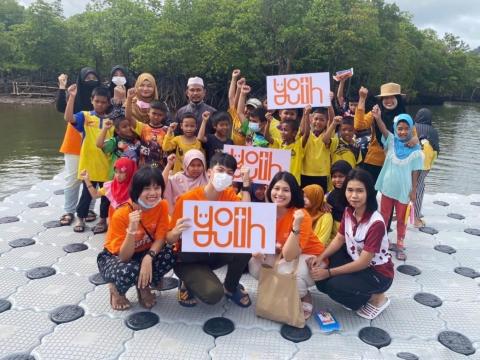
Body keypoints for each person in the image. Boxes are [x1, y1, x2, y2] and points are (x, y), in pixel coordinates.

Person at [166, 153, 252, 307]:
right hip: (188, 259)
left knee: (244, 248)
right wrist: (176, 231)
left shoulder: (229, 195)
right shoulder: (187, 199)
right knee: (213, 295)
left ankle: (230, 287)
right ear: (209, 172)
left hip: (213, 254)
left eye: (230, 173)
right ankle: (187, 281)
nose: (224, 176)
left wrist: (246, 186)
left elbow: (246, 216)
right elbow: (169, 239)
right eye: (220, 170)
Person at [309, 168, 394, 320]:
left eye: (360, 191)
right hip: (356, 262)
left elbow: (363, 262)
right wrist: (320, 257)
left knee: (332, 285)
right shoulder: (349, 211)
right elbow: (339, 239)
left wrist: (329, 272)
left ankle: (376, 298)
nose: (354, 196)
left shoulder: (376, 223)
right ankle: (355, 291)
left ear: (369, 192)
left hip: (377, 273)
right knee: (321, 282)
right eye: (350, 190)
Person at [248, 172, 326, 320]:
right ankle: (284, 292)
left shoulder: (301, 215)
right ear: (269, 190)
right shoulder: (265, 211)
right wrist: (258, 252)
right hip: (282, 254)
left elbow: (290, 255)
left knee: (286, 273)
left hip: (311, 258)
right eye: (276, 188)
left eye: (286, 190)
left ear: (293, 193)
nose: (279, 193)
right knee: (255, 264)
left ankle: (303, 296)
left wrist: (296, 227)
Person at [97, 166, 176, 310]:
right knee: (129, 269)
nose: (153, 193)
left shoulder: (162, 205)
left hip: (145, 251)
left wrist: (149, 257)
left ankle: (144, 286)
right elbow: (124, 257)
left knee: (171, 254)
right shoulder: (121, 213)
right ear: (136, 190)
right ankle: (116, 290)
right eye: (146, 188)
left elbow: (160, 237)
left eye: (157, 188)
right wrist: (131, 231)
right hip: (117, 256)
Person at [372, 108, 424, 260]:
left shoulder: (415, 148)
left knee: (402, 219)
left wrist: (414, 190)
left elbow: (415, 171)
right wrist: (378, 118)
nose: (403, 132)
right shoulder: (392, 141)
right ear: (395, 128)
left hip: (404, 189)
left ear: (411, 129)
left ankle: (400, 245)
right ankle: (382, 241)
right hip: (388, 187)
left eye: (406, 128)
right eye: (400, 128)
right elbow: (383, 129)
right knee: (384, 216)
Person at [65, 84, 112, 234]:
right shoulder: (85, 116)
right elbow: (68, 118)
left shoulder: (112, 121)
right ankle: (81, 218)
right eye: (97, 101)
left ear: (108, 103)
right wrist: (72, 97)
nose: (100, 104)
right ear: (91, 100)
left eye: (103, 102)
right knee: (86, 194)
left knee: (106, 195)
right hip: (89, 164)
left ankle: (103, 220)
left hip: (107, 165)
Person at [56, 69, 99, 226]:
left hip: (94, 142)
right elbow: (61, 107)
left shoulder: (99, 97)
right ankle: (69, 210)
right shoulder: (74, 92)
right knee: (72, 178)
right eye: (87, 77)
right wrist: (63, 88)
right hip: (74, 141)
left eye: (94, 77)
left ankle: (89, 209)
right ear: (81, 79)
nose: (91, 79)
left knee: (92, 177)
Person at [354, 83, 416, 183]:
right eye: (385, 98)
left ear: (398, 99)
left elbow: (414, 137)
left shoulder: (404, 116)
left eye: (392, 98)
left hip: (396, 162)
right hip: (374, 161)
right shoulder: (376, 112)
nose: (388, 101)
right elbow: (359, 125)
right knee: (369, 193)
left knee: (391, 196)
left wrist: (414, 140)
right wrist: (362, 99)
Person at [126, 88, 169, 168]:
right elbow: (128, 117)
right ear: (148, 112)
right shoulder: (142, 127)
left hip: (161, 169)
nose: (156, 117)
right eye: (154, 113)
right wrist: (129, 98)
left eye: (160, 115)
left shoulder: (167, 130)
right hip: (143, 168)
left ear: (164, 116)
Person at [271, 106, 311, 185]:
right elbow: (267, 137)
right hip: (280, 180)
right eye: (281, 130)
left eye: (285, 130)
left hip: (294, 182)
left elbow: (306, 133)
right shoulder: (280, 143)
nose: (282, 132)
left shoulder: (298, 144)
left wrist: (306, 115)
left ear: (294, 133)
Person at [413, 108, 440, 228]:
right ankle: (416, 218)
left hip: (409, 162)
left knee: (407, 187)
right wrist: (430, 166)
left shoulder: (411, 127)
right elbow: (436, 151)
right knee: (419, 188)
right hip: (424, 164)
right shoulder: (433, 131)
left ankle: (400, 213)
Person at [97, 112, 142, 179]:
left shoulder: (138, 140)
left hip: (132, 178)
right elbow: (99, 144)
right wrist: (105, 128)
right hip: (117, 178)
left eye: (130, 125)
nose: (129, 128)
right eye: (124, 127)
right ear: (118, 131)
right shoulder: (115, 141)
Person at [162, 150, 208, 214]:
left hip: (201, 217)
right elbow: (162, 184)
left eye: (199, 165)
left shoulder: (207, 179)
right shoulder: (178, 178)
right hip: (179, 217)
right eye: (192, 165)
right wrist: (169, 165)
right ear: (186, 165)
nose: (196, 168)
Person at [301, 107, 332, 192]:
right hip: (304, 173)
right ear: (311, 119)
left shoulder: (328, 135)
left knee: (320, 201)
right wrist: (306, 114)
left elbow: (332, 120)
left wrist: (329, 106)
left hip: (322, 175)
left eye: (322, 120)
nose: (318, 122)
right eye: (316, 119)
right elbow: (303, 130)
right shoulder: (306, 134)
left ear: (326, 122)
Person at [327, 160, 353, 240]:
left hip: (352, 237)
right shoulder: (331, 195)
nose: (337, 180)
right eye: (334, 176)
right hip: (334, 236)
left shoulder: (354, 195)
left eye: (341, 176)